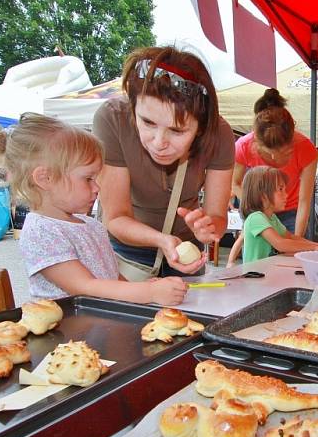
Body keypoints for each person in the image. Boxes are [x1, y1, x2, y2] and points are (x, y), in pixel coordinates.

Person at [0, 113, 188, 304]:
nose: (97, 187)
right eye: (88, 178)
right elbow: (84, 286)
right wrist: (149, 293)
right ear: (45, 178)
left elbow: (110, 279)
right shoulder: (42, 231)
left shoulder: (91, 225)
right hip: (66, 333)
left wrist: (139, 288)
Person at [92, 46, 235, 277]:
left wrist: (207, 228)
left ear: (201, 128)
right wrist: (161, 241)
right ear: (133, 106)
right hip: (128, 252)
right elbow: (116, 217)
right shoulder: (111, 119)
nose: (159, 142)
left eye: (177, 131)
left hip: (188, 251)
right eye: (147, 122)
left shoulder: (219, 133)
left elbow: (217, 217)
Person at [232, 89, 317, 236]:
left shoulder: (306, 148)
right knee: (258, 257)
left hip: (292, 213)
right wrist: (256, 208)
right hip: (258, 212)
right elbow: (235, 183)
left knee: (292, 257)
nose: (275, 159)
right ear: (257, 143)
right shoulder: (243, 146)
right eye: (269, 153)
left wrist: (297, 238)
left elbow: (304, 201)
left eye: (285, 153)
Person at [240, 166, 318, 264]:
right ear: (263, 195)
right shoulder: (256, 218)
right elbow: (281, 243)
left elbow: (290, 237)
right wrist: (314, 247)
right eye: (280, 189)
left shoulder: (272, 218)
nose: (286, 194)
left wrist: (316, 245)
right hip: (254, 275)